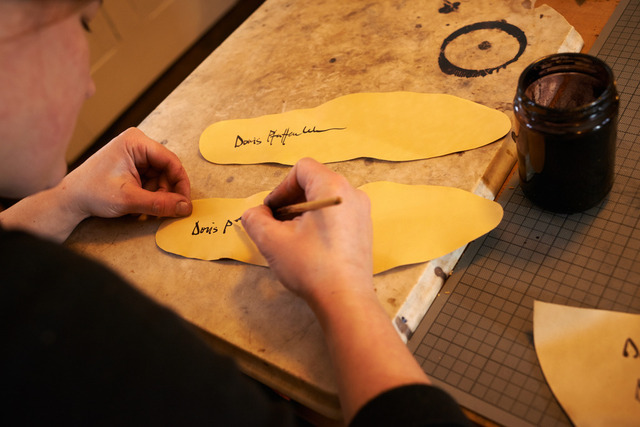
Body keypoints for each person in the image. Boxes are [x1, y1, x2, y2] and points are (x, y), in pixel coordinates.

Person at [0, 1, 470, 425]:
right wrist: (344, 291)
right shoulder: (54, 325)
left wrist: (64, 199)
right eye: (83, 23)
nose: (89, 84)